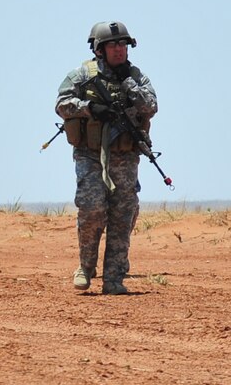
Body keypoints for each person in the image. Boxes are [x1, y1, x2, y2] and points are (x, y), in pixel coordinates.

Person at [54, 21, 159, 296]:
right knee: (91, 210)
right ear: (99, 50)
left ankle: (114, 278)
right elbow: (62, 104)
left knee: (123, 215)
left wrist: (127, 83)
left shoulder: (136, 77)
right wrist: (90, 108)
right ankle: (85, 267)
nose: (119, 50)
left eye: (123, 45)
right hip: (90, 156)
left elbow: (151, 106)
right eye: (113, 45)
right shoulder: (81, 75)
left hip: (125, 157)